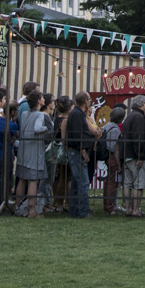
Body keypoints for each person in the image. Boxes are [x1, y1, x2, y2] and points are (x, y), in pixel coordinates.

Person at [14, 90, 51, 217]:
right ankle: (32, 210)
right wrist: (45, 129)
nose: (44, 100)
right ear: (39, 101)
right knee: (34, 180)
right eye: (42, 98)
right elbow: (37, 128)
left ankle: (18, 208)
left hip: (23, 149)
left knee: (22, 180)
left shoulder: (24, 114)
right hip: (34, 150)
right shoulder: (40, 115)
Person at [62, 90, 94, 218]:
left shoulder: (77, 113)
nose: (90, 102)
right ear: (85, 101)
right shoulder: (76, 114)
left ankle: (75, 210)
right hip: (76, 151)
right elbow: (77, 134)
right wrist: (83, 150)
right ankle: (82, 211)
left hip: (76, 150)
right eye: (89, 99)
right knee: (83, 182)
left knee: (76, 182)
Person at [119, 96, 145, 217]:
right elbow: (138, 137)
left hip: (127, 155)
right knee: (139, 183)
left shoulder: (129, 116)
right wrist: (140, 156)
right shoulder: (139, 117)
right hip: (135, 155)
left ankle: (128, 209)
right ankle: (136, 209)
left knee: (127, 184)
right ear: (142, 104)